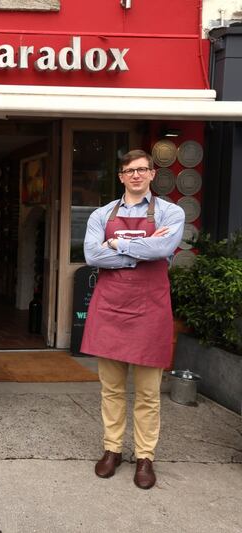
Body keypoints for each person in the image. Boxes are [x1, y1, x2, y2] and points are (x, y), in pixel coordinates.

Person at [81, 149, 185, 490]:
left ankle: (144, 457)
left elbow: (163, 250)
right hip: (111, 308)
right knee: (111, 389)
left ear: (153, 174)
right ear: (121, 176)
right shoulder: (101, 213)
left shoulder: (172, 212)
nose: (136, 175)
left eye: (142, 169)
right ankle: (112, 450)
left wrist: (117, 244)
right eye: (129, 170)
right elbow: (92, 254)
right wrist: (138, 249)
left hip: (150, 310)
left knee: (148, 392)